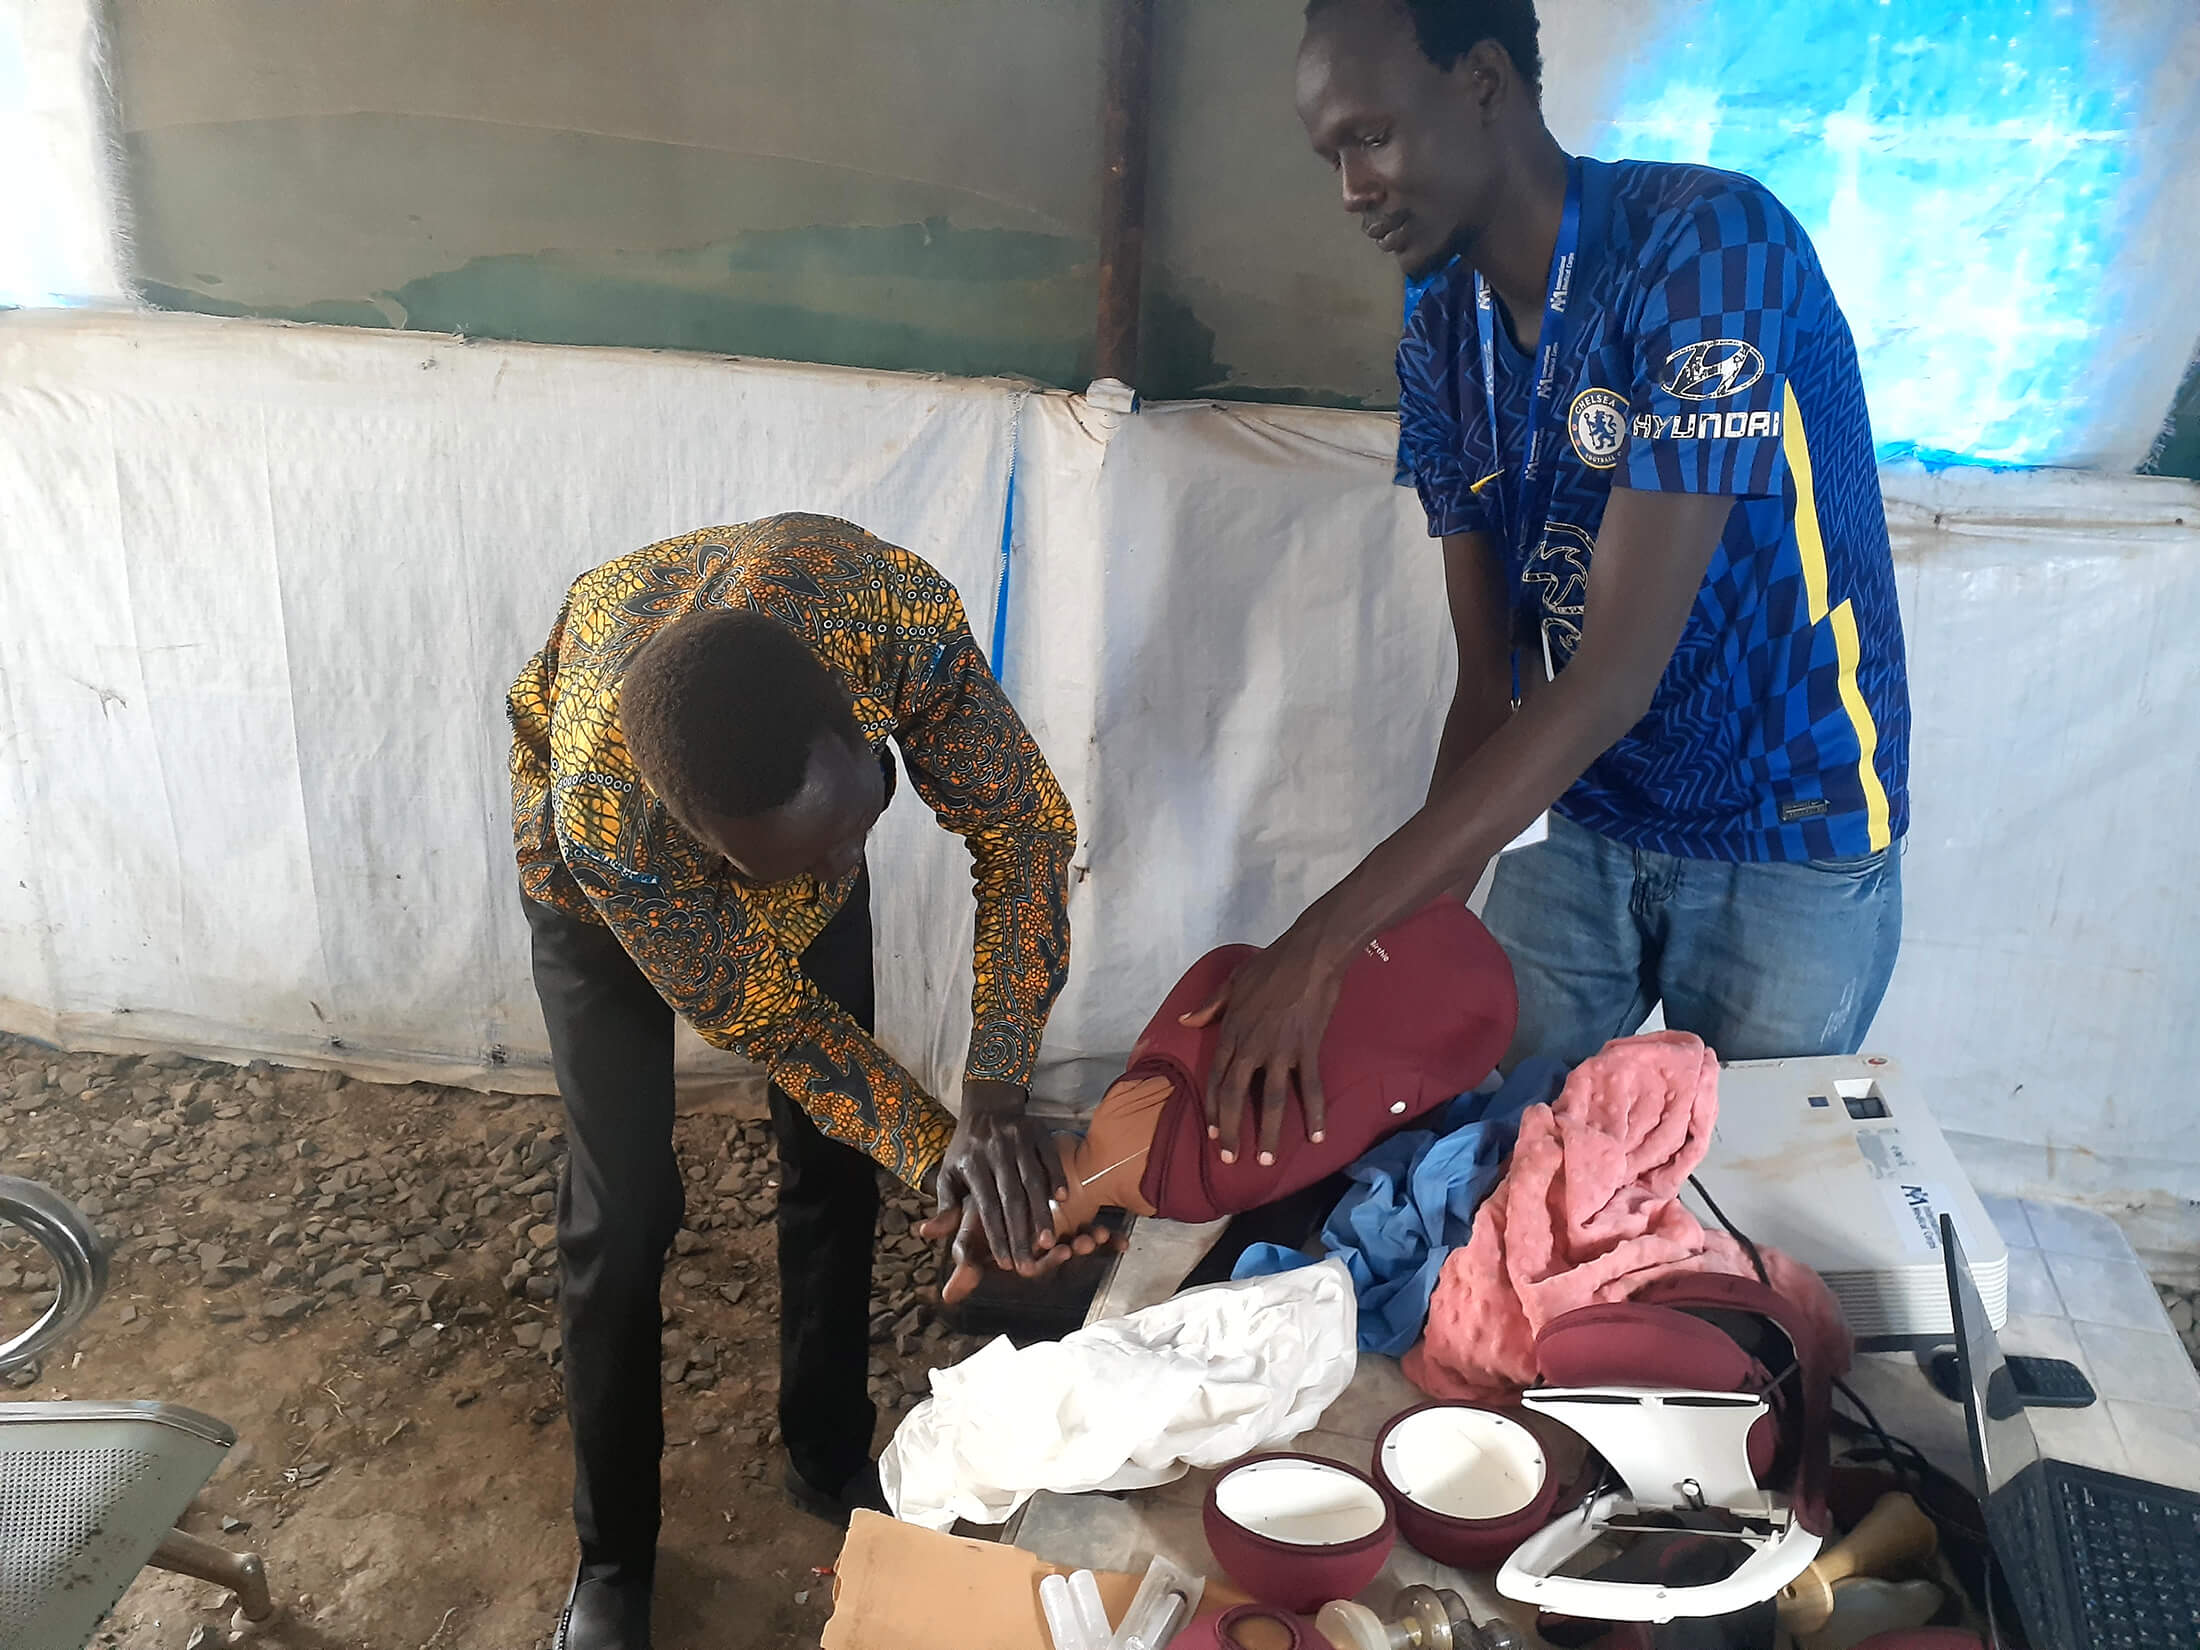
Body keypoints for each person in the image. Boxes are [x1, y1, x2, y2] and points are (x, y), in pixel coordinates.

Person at [1192, 0, 1910, 1159]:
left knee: (1736, 1204)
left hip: (1790, 824)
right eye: (1330, 157)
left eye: (1369, 137)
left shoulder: (1710, 249)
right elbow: (1491, 688)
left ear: (1481, 82)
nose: (1349, 190)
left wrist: (1321, 944)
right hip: (1580, 816)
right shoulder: (1438, 328)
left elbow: (1611, 676)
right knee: (1496, 1166)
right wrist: (1377, 964)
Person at [507, 513, 1085, 1650]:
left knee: (829, 1162)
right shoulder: (608, 823)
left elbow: (1022, 828)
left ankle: (825, 1451)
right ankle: (614, 1556)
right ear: (702, 839)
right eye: (789, 866)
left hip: (780, 793)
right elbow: (778, 1024)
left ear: (858, 722)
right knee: (622, 1213)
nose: (837, 875)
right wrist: (943, 1152)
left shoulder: (892, 615)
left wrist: (995, 1095)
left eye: (855, 829)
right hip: (596, 901)